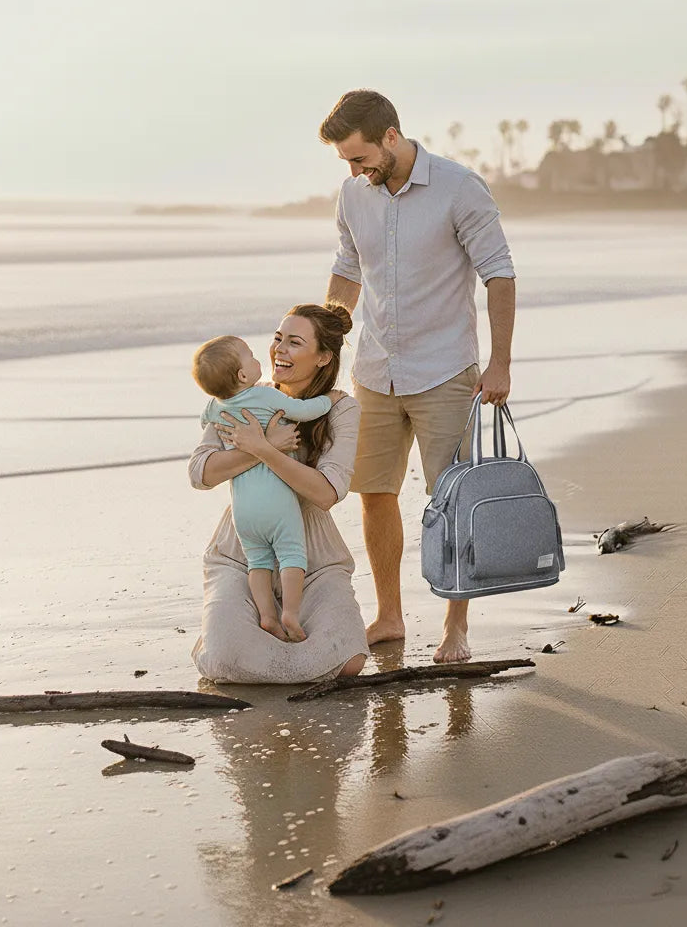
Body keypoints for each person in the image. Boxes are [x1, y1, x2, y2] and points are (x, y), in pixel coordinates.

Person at [320, 89, 516, 664]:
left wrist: (499, 362)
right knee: (374, 494)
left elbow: (499, 275)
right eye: (347, 163)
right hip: (375, 371)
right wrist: (325, 351)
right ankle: (389, 615)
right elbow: (347, 270)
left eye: (360, 158)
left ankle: (455, 627)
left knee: (452, 501)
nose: (356, 171)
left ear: (390, 135)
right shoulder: (354, 195)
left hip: (445, 371)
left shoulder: (460, 187)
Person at [189, 304, 370, 684]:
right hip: (242, 550)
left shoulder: (340, 408)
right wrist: (257, 445)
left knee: (349, 659)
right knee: (223, 659)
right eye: (276, 339)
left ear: (323, 357)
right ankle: (258, 629)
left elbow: (326, 493)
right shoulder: (241, 396)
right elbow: (200, 474)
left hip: (312, 555)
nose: (278, 350)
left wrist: (267, 451)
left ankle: (277, 637)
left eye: (294, 342)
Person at [192, 334, 333, 642]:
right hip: (277, 502)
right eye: (252, 357)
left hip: (243, 509)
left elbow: (205, 419)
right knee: (293, 554)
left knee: (258, 561)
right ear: (243, 375)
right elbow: (305, 411)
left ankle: (267, 615)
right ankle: (290, 613)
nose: (260, 360)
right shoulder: (266, 397)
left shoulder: (215, 408)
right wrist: (329, 401)